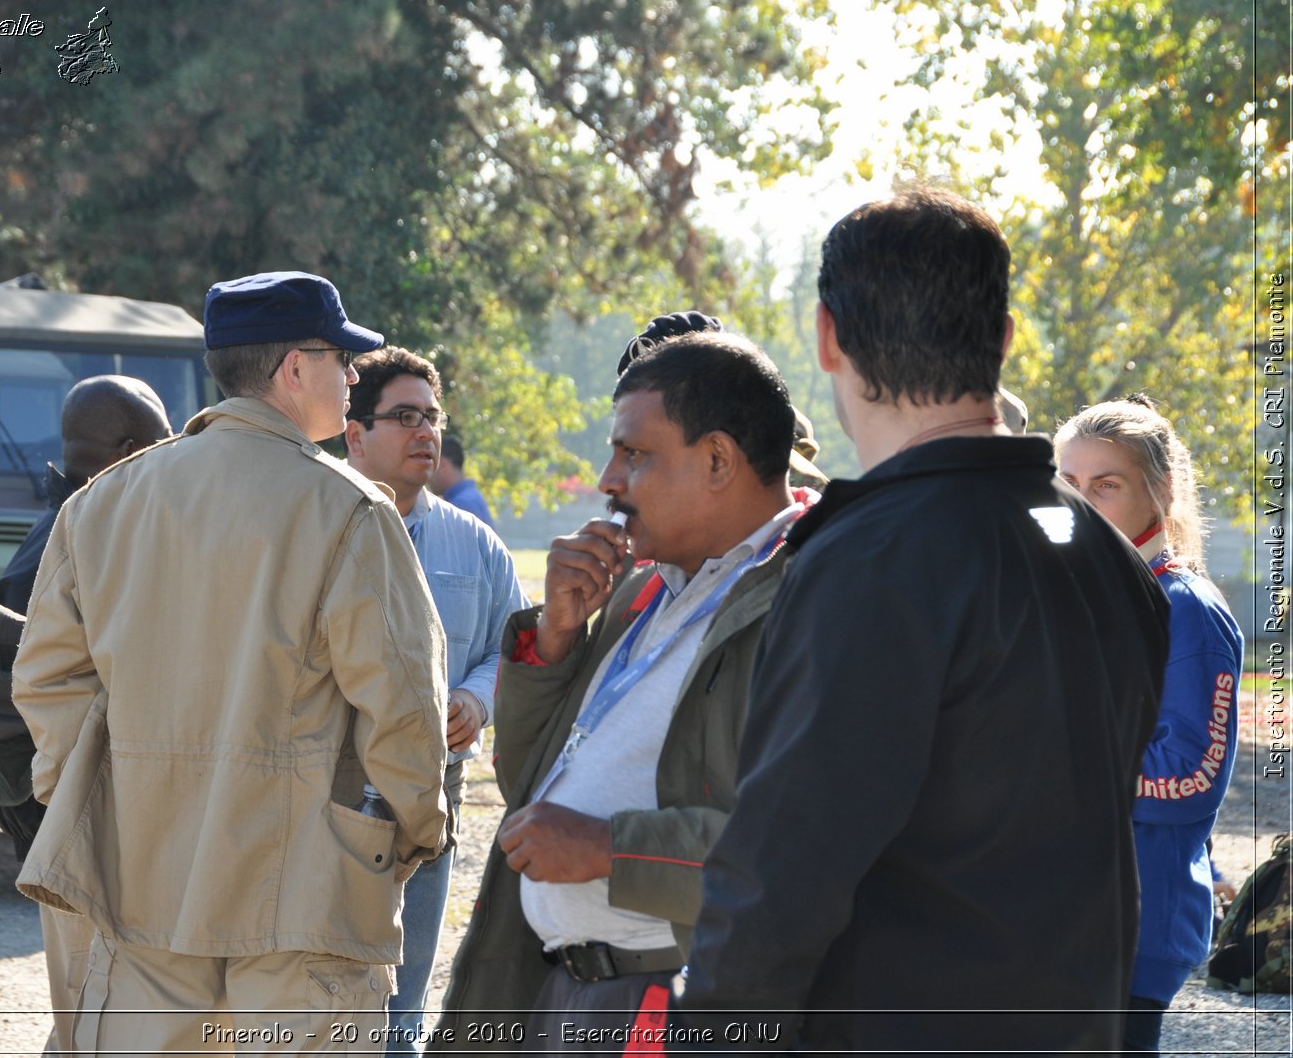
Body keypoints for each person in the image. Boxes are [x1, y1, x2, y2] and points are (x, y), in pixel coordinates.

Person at [670, 186, 1173, 1053]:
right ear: (1004, 339)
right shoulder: (1107, 554)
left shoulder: (872, 561)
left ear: (827, 335)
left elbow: (779, 879)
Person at [12, 271, 450, 1055]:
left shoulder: (100, 504)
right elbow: (405, 711)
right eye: (342, 360)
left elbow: (46, 684)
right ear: (293, 369)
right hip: (305, 908)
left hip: (139, 901)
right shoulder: (349, 509)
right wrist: (409, 837)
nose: (353, 377)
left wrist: (104, 809)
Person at [433, 328, 817, 1050]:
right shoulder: (644, 584)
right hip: (567, 988)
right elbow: (526, 784)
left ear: (717, 459)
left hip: (674, 1001)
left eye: (634, 454)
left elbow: (793, 847)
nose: (608, 480)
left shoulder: (806, 596)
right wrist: (554, 639)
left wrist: (609, 848)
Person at [343, 348, 528, 1053]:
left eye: (433, 417)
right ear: (356, 434)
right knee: (315, 981)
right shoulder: (316, 529)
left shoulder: (473, 544)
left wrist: (477, 700)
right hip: (327, 790)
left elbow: (512, 646)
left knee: (405, 987)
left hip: (428, 792)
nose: (426, 433)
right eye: (404, 417)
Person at [0, 374, 171, 1057]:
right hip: (82, 825)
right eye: (165, 440)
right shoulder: (75, 543)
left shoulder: (82, 527)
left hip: (77, 819)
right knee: (90, 1021)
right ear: (129, 448)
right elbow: (36, 699)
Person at [1055, 395, 1243, 1056]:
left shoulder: (1187, 606)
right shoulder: (1079, 593)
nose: (1081, 501)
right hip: (1066, 914)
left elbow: (1192, 771)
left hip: (1136, 921)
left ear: (1159, 491)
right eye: (1068, 484)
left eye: (1105, 485)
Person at [0, 375, 172, 616]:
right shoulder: (75, 548)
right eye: (166, 440)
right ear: (129, 453)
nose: (173, 452)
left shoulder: (69, 531)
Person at [430, 435, 495, 528]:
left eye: (430, 463)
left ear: (442, 465)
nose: (427, 476)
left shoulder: (460, 504)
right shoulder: (470, 497)